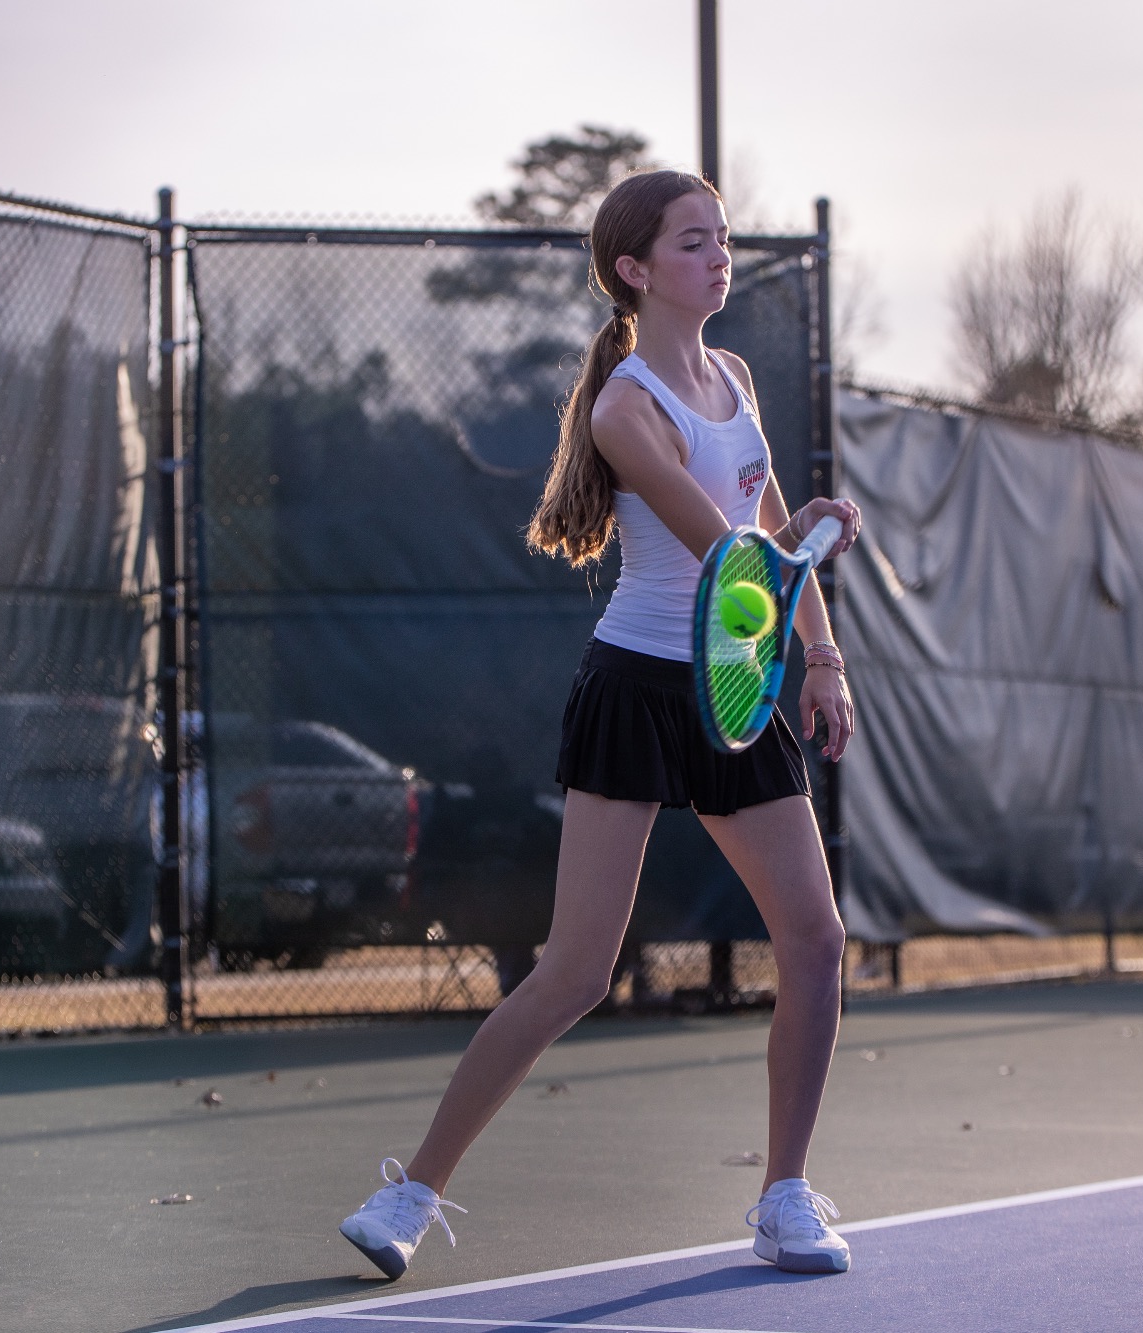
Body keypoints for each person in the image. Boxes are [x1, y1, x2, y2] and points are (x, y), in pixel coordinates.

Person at [338, 170, 862, 1280]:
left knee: (814, 941)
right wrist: (803, 543)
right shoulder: (624, 407)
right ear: (634, 268)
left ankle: (781, 1198)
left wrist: (819, 653)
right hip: (637, 685)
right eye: (692, 241)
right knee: (574, 971)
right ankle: (409, 1194)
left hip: (739, 679)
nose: (718, 255)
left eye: (722, 238)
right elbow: (733, 555)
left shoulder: (735, 376)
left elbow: (764, 532)